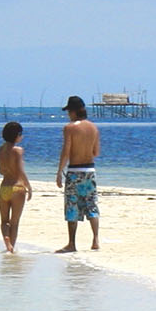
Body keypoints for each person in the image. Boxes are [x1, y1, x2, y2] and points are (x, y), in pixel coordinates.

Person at [55, 95, 100, 252]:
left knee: (72, 206)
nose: (68, 114)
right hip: (90, 170)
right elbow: (96, 152)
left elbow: (66, 151)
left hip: (75, 170)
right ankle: (95, 239)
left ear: (73, 112)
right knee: (91, 204)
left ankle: (72, 243)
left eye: (69, 111)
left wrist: (59, 171)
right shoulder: (93, 128)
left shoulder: (70, 128)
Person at [0, 121, 33, 252]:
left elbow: (1, 171)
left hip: (4, 188)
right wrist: (29, 186)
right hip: (17, 187)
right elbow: (20, 171)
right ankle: (11, 246)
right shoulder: (18, 150)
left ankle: (6, 239)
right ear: (17, 135)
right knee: (14, 222)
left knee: (4, 221)